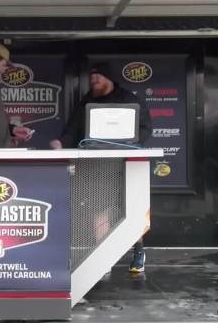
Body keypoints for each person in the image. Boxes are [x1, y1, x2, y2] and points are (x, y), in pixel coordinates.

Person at [50, 62, 150, 273]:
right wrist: (60, 142)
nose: (93, 81)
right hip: (96, 163)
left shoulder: (129, 100)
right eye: (92, 78)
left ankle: (139, 251)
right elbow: (72, 128)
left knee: (131, 209)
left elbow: (145, 128)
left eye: (98, 77)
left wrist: (129, 144)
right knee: (99, 208)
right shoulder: (87, 101)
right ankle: (103, 260)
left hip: (125, 162)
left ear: (110, 79)